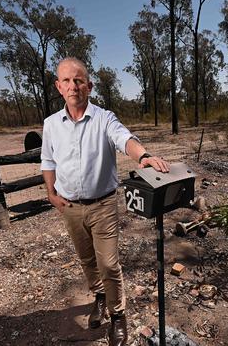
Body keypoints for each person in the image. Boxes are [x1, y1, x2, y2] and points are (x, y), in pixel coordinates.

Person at [40, 57, 169, 346]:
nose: (73, 86)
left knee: (109, 263)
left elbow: (124, 138)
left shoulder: (104, 118)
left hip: (103, 205)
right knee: (87, 260)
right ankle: (99, 297)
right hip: (70, 206)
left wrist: (144, 156)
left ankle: (118, 316)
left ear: (89, 85)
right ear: (58, 86)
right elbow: (47, 160)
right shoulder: (51, 124)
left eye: (79, 80)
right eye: (67, 81)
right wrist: (50, 192)